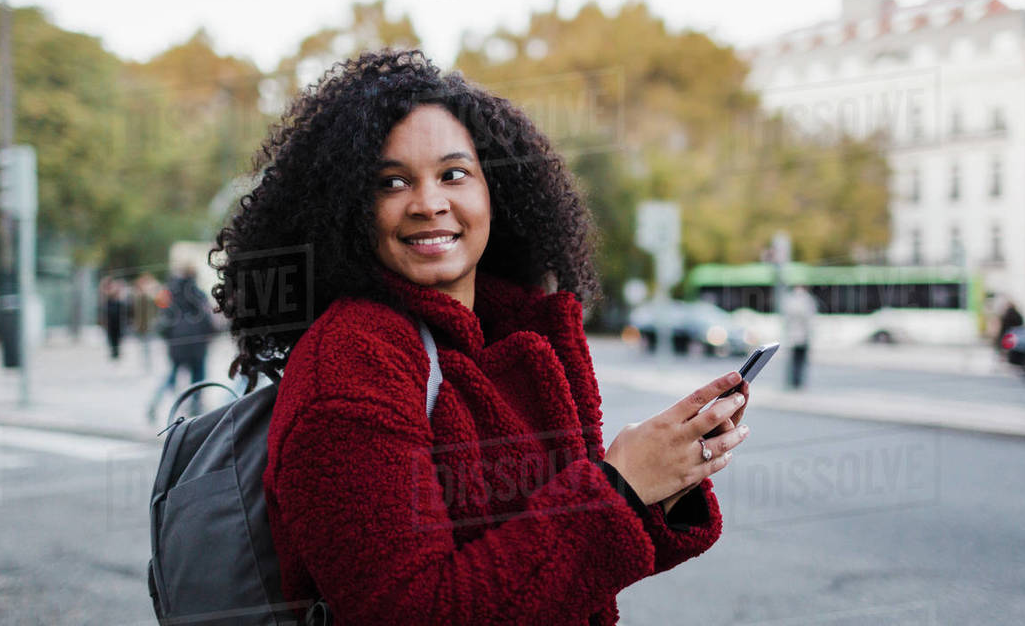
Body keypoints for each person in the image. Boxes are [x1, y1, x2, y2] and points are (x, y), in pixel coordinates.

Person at [211, 50, 751, 625]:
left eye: (454, 173)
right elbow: (412, 612)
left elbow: (560, 565)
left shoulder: (509, 334)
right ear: (347, 211)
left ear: (497, 189)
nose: (429, 202)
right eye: (392, 183)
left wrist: (658, 482)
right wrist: (616, 489)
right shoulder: (350, 364)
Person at [147, 263, 215, 422]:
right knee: (198, 377)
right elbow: (207, 319)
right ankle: (196, 407)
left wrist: (170, 339)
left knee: (171, 375)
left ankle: (155, 403)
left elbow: (164, 321)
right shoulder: (198, 294)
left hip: (177, 344)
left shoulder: (170, 294)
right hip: (197, 343)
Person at [783, 284, 817, 389]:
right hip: (803, 337)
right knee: (801, 361)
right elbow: (810, 318)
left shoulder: (789, 300)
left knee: (793, 361)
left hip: (793, 337)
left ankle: (793, 381)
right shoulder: (807, 300)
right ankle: (799, 381)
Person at [132, 272, 161, 374]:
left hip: (150, 324)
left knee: (148, 345)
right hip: (142, 325)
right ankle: (146, 365)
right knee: (145, 346)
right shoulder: (139, 296)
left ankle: (149, 365)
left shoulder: (151, 295)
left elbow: (157, 307)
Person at [99, 277, 127, 361]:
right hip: (111, 320)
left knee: (117, 337)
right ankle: (114, 352)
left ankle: (116, 352)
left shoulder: (118, 298)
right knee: (111, 337)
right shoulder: (107, 298)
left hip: (117, 320)